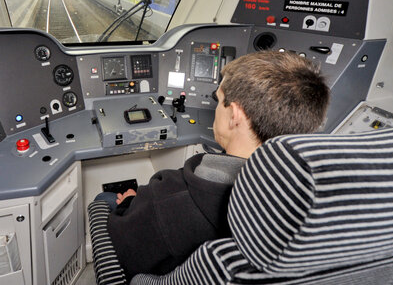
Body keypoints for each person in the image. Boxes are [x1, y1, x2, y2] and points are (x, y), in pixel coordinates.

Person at [97, 50, 330, 280]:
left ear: (235, 115)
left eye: (218, 100)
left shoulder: (170, 199)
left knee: (104, 201)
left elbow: (125, 253)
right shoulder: (310, 196)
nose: (216, 108)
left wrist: (129, 202)